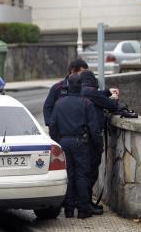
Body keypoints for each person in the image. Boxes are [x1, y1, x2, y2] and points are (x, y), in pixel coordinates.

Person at [49, 74, 103, 219]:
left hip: (64, 143)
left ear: (68, 86)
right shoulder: (87, 103)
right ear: (80, 87)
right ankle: (83, 210)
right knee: (82, 176)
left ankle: (69, 210)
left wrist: (57, 142)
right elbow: (94, 129)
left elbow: (53, 125)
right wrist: (99, 146)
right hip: (81, 144)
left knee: (69, 176)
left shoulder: (59, 103)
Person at [80, 70, 119, 214]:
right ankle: (86, 205)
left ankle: (81, 205)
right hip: (91, 140)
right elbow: (112, 106)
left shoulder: (80, 92)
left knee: (81, 173)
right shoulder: (90, 92)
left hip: (79, 139)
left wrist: (107, 92)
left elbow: (98, 97)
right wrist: (114, 97)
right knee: (90, 173)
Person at [43, 59, 89, 127]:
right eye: (82, 72)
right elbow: (48, 107)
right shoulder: (57, 88)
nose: (84, 75)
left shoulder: (85, 87)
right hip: (61, 130)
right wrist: (50, 124)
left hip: (79, 129)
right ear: (73, 71)